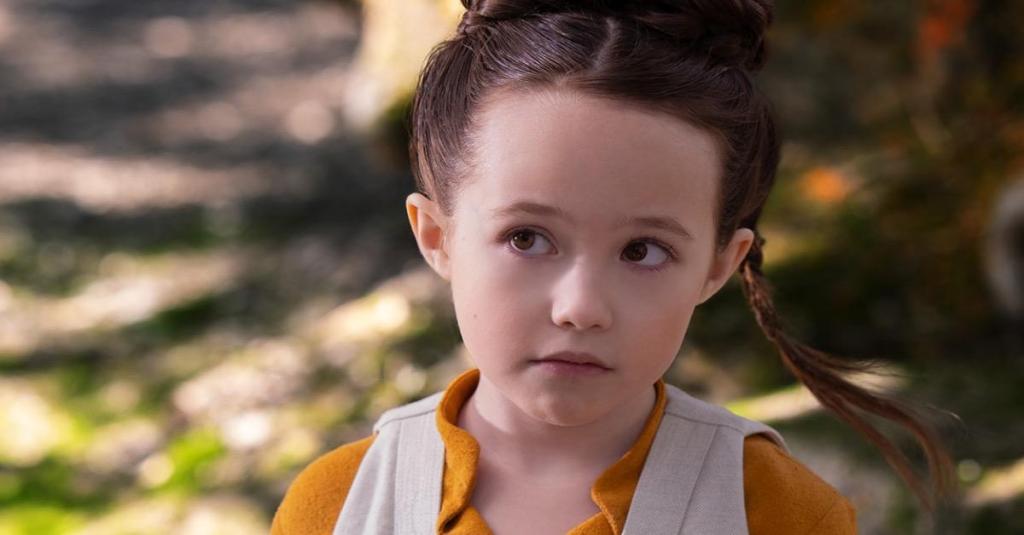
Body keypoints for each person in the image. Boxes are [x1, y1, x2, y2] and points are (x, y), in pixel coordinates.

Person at [272, 1, 957, 533]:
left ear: (719, 265)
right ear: (437, 236)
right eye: (527, 238)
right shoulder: (338, 506)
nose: (581, 306)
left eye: (643, 250)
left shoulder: (780, 515)